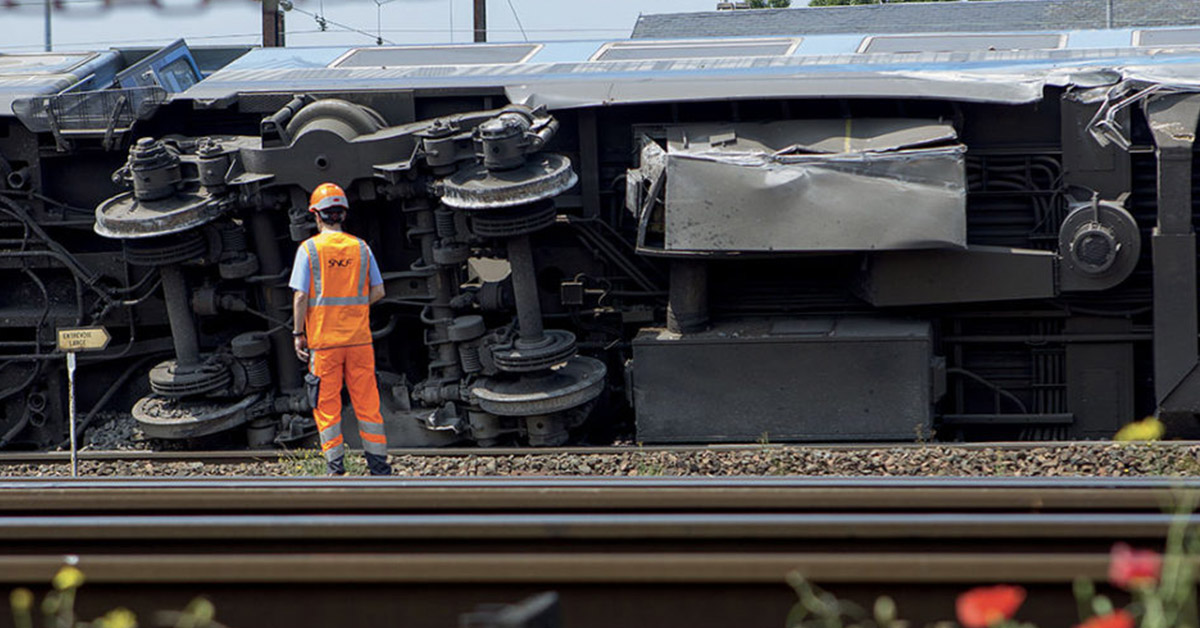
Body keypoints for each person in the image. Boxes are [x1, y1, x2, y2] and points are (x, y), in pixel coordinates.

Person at [289, 182, 391, 476]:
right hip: (359, 341)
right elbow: (379, 290)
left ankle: (336, 469)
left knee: (327, 406)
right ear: (342, 215)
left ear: (317, 216)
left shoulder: (309, 250)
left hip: (324, 343)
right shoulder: (361, 248)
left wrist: (298, 334)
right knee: (368, 403)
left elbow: (300, 296)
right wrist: (355, 307)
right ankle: (379, 467)